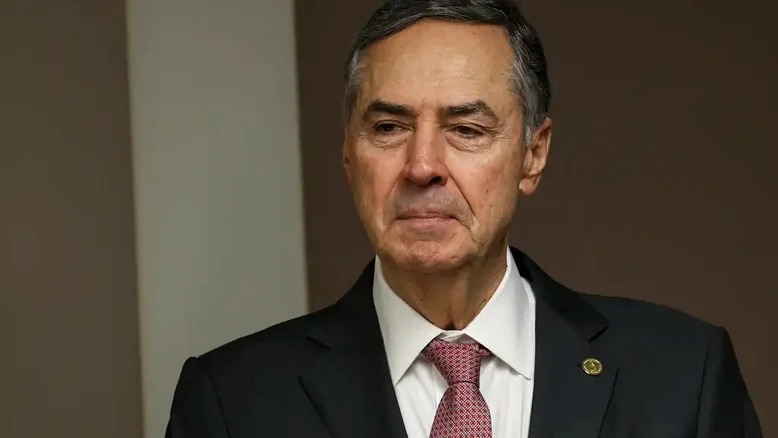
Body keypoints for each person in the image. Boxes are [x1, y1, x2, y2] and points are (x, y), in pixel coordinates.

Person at [165, 1, 763, 437]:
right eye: (388, 127)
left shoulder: (683, 376)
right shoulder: (232, 404)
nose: (422, 165)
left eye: (467, 130)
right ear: (348, 154)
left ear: (533, 155)